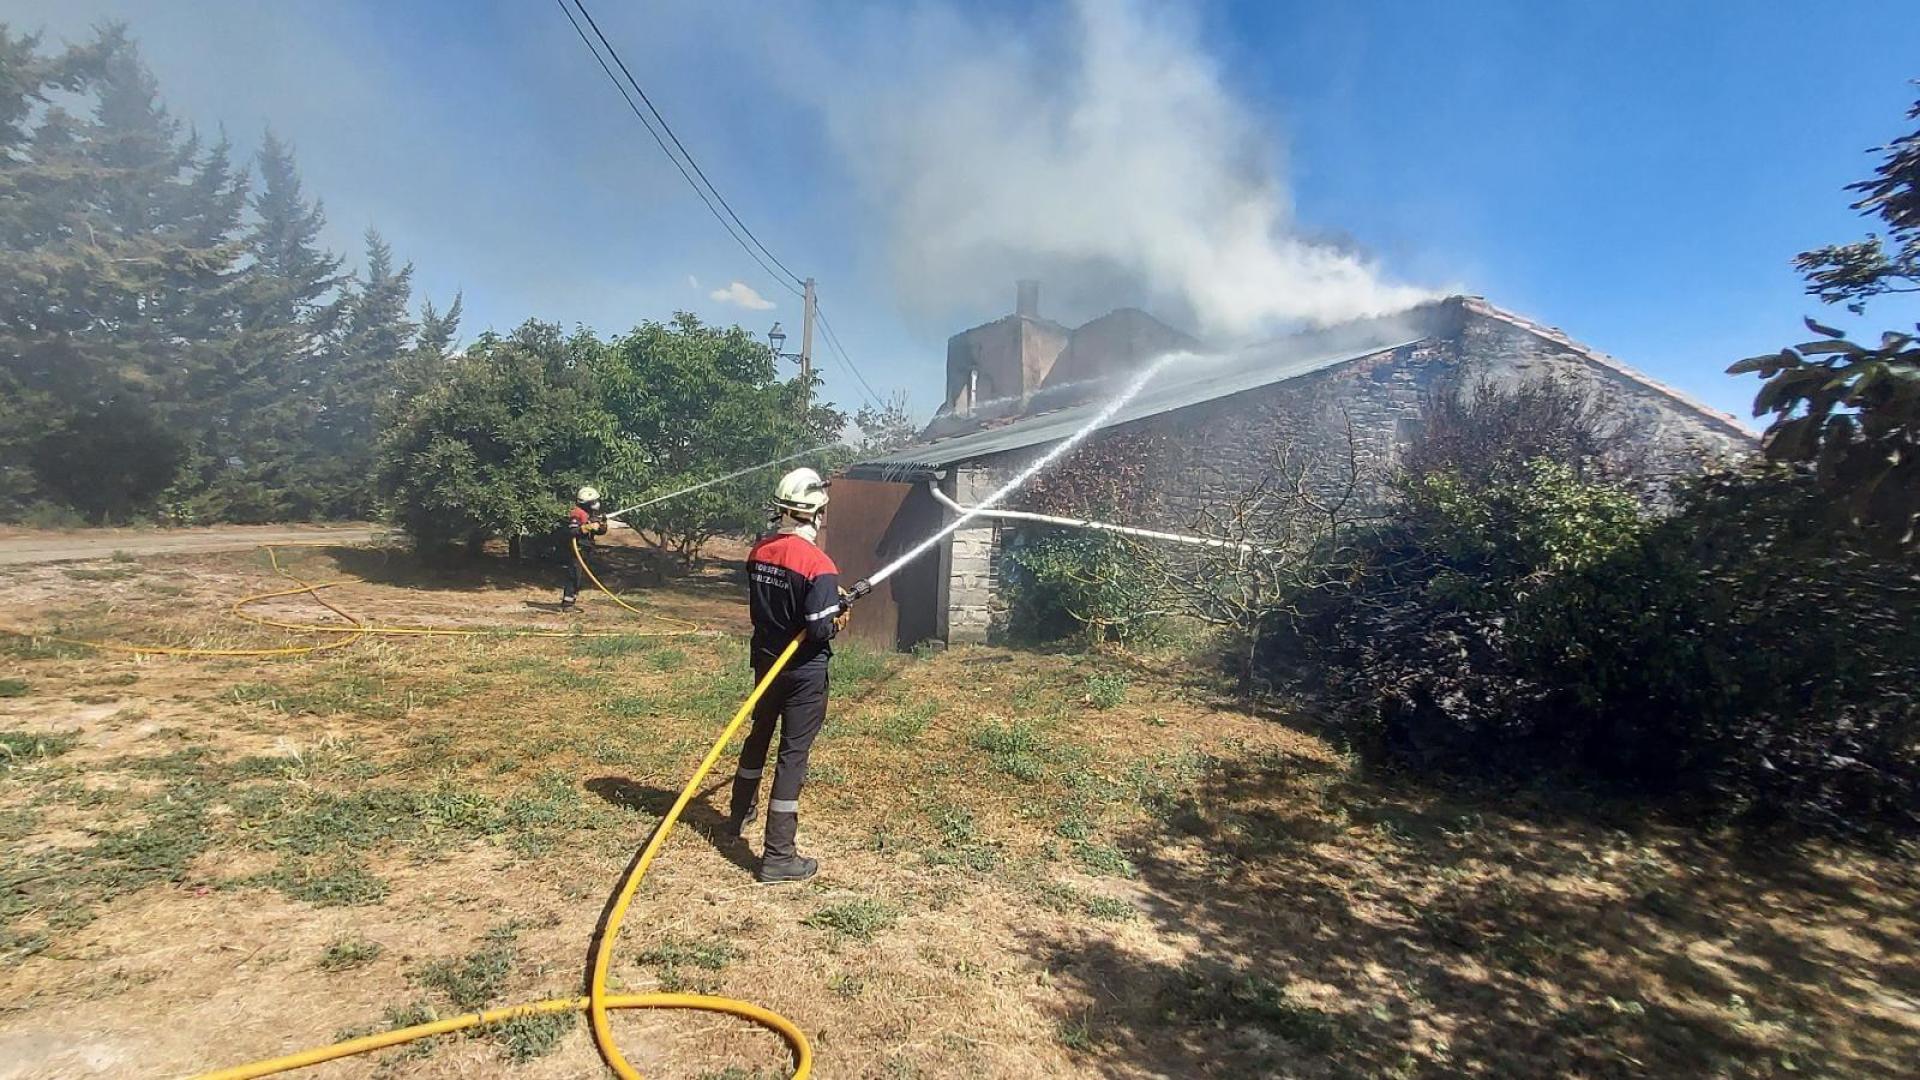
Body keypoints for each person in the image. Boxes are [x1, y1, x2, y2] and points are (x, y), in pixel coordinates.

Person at [729, 467, 850, 883]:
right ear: (815, 513)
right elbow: (818, 628)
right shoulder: (819, 564)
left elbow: (774, 605)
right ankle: (779, 855)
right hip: (801, 670)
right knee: (792, 754)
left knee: (759, 733)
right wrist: (837, 615)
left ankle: (738, 815)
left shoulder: (759, 551)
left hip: (765, 660)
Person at [560, 485, 608, 611]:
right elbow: (572, 531)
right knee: (574, 575)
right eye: (593, 502)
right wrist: (586, 528)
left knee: (579, 576)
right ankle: (567, 604)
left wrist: (602, 525)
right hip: (577, 550)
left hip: (586, 549)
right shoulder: (577, 513)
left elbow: (600, 532)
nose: (596, 504)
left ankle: (572, 600)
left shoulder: (589, 514)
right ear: (586, 503)